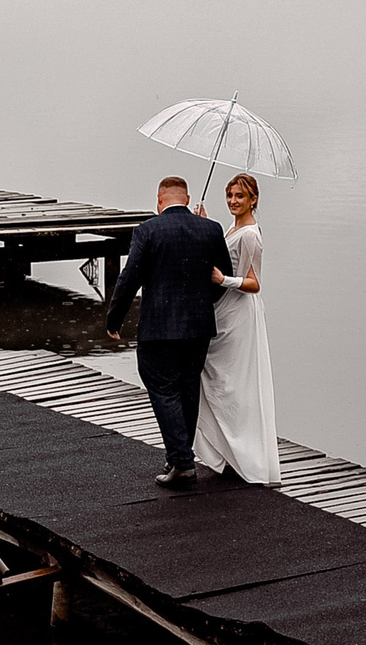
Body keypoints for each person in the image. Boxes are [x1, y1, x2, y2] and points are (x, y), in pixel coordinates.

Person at [104, 175, 234, 490]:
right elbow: (223, 277)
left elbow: (129, 278)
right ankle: (179, 456)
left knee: (162, 388)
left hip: (158, 328)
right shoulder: (212, 229)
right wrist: (202, 304)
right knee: (188, 389)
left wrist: (114, 320)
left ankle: (183, 462)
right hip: (199, 327)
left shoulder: (147, 231)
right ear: (187, 199)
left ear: (159, 201)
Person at [194, 173, 279, 485]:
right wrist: (205, 223)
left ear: (253, 199)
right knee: (217, 378)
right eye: (230, 195)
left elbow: (254, 282)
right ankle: (226, 449)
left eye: (240, 196)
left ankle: (244, 453)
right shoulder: (234, 227)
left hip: (240, 314)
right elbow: (226, 254)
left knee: (233, 383)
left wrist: (223, 281)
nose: (233, 201)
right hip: (225, 311)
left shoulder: (251, 235)